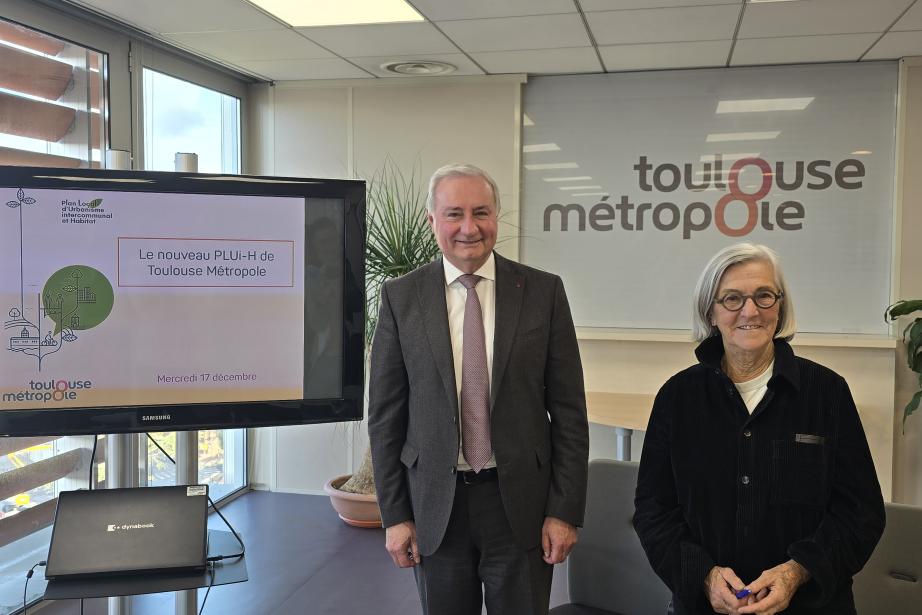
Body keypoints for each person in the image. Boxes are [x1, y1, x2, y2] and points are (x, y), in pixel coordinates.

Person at [368, 163, 589, 615]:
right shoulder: (400, 297)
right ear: (433, 221)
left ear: (497, 216)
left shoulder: (543, 292)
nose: (469, 228)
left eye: (481, 212)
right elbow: (386, 418)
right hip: (435, 507)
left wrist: (564, 511)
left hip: (522, 507)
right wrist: (395, 516)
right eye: (454, 214)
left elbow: (569, 411)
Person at [634, 243, 885, 615]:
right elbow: (653, 511)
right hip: (705, 606)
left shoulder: (828, 393)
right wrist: (703, 575)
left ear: (779, 306)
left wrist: (797, 572)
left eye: (764, 296)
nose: (750, 311)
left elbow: (860, 513)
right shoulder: (677, 397)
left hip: (810, 605)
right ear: (711, 312)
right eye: (732, 299)